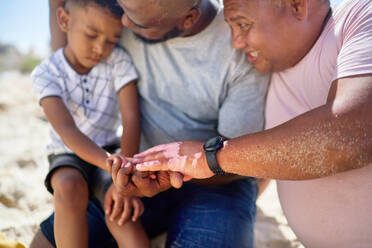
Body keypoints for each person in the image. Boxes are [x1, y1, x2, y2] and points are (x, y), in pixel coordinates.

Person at [132, 0, 372, 247]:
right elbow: (269, 154)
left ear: (298, 6)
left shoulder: (359, 18)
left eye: (243, 25)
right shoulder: (272, 65)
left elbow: (353, 132)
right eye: (231, 27)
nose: (236, 42)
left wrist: (209, 157)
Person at [31, 0, 270, 247]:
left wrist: (164, 172)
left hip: (217, 183)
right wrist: (129, 173)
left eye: (135, 20)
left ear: (188, 19)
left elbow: (239, 159)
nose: (124, 22)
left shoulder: (241, 49)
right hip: (138, 170)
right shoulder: (116, 21)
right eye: (124, 10)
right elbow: (68, 43)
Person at [30, 0, 150, 247]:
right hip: (69, 153)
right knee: (68, 186)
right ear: (64, 20)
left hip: (113, 148)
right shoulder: (46, 73)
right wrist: (112, 165)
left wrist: (124, 170)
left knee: (119, 202)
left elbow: (131, 118)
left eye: (111, 39)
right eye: (92, 34)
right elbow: (66, 130)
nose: (100, 48)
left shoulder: (118, 61)